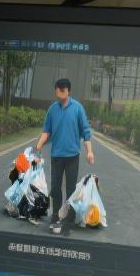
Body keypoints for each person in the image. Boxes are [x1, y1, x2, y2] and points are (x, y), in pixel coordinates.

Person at [35, 77, 95, 234]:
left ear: (68, 91)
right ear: (56, 91)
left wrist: (89, 151)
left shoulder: (77, 108)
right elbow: (46, 130)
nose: (61, 92)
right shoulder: (52, 109)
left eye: (64, 89)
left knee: (70, 189)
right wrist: (40, 143)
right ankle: (55, 216)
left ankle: (68, 217)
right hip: (56, 156)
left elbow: (86, 132)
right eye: (58, 89)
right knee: (55, 188)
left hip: (72, 157)